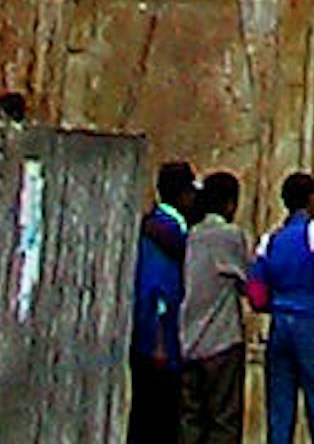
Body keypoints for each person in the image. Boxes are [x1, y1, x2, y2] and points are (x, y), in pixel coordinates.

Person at [255, 173, 314, 444]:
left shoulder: (271, 240)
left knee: (280, 410)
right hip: (311, 321)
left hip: (280, 323)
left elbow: (257, 294)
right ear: (311, 198)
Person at [180, 173, 258, 444]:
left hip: (187, 341)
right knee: (223, 421)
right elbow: (250, 282)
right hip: (221, 341)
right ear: (229, 204)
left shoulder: (190, 235)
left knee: (190, 421)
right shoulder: (230, 237)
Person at [133, 168, 192, 444]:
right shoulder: (168, 234)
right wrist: (158, 340)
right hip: (159, 342)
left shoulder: (154, 228)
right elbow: (157, 290)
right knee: (157, 421)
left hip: (152, 340)